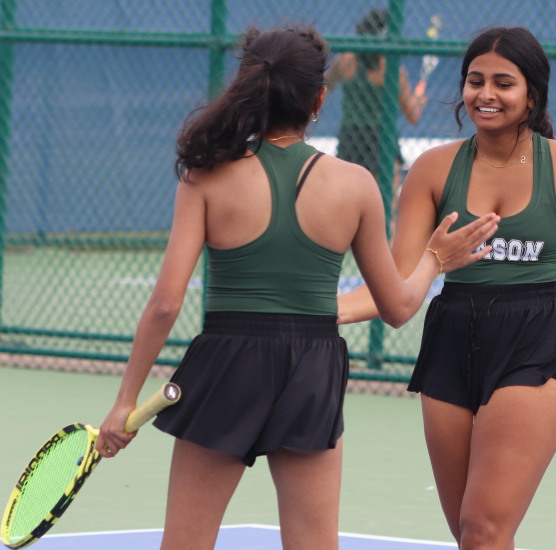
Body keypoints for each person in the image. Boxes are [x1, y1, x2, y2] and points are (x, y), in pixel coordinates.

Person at [94, 24, 499, 550]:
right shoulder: (355, 185)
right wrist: (434, 260)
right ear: (319, 100)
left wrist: (124, 400)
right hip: (310, 369)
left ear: (248, 90)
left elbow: (165, 303)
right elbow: (398, 307)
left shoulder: (205, 174)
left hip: (225, 364)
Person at [338, 27, 556, 549]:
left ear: (532, 95)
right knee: (471, 534)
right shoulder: (431, 169)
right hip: (450, 337)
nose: (485, 94)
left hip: (533, 342)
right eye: (475, 81)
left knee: (485, 528)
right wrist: (317, 309)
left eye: (503, 83)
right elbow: (396, 286)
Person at [324, 8, 428, 221]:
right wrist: (419, 98)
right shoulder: (391, 69)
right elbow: (413, 115)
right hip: (381, 138)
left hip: (351, 137)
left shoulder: (346, 61)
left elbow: (324, 86)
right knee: (385, 209)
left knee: (347, 207)